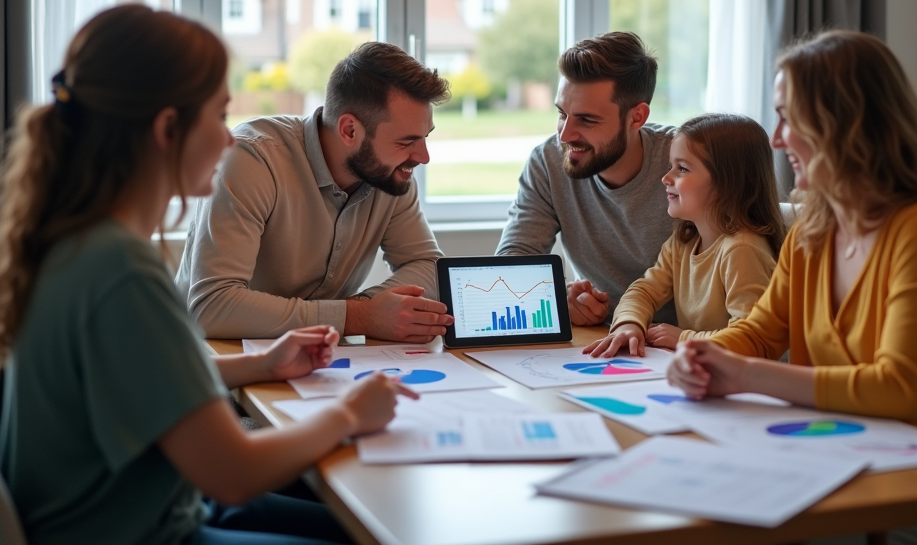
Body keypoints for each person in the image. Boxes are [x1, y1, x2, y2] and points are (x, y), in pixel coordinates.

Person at [0, 5, 416, 545]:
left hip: (165, 510)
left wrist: (261, 363)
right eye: (218, 116)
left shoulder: (77, 244)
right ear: (168, 128)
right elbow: (233, 472)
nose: (227, 140)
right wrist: (347, 415)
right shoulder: (121, 271)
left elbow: (141, 383)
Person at [667, 31, 917, 545]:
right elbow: (761, 331)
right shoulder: (812, 231)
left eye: (790, 118)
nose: (778, 139)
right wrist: (700, 353)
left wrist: (744, 375)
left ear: (844, 123)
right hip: (843, 461)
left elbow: (898, 389)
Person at [177, 41, 455, 343]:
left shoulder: (389, 174)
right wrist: (361, 317)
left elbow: (428, 267)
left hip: (315, 361)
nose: (423, 156)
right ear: (349, 130)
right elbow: (213, 307)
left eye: (425, 137)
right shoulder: (253, 159)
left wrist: (366, 309)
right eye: (406, 141)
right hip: (208, 363)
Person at [496, 31, 677, 326]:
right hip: (600, 339)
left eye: (587, 120)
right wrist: (557, 297)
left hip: (684, 343)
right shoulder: (548, 162)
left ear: (637, 117)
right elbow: (512, 265)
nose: (565, 135)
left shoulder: (687, 161)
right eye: (561, 113)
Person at [584, 113, 784, 358]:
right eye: (671, 166)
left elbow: (754, 339)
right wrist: (629, 323)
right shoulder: (683, 243)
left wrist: (684, 338)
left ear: (727, 182)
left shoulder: (742, 249)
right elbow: (645, 291)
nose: (666, 178)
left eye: (682, 168)